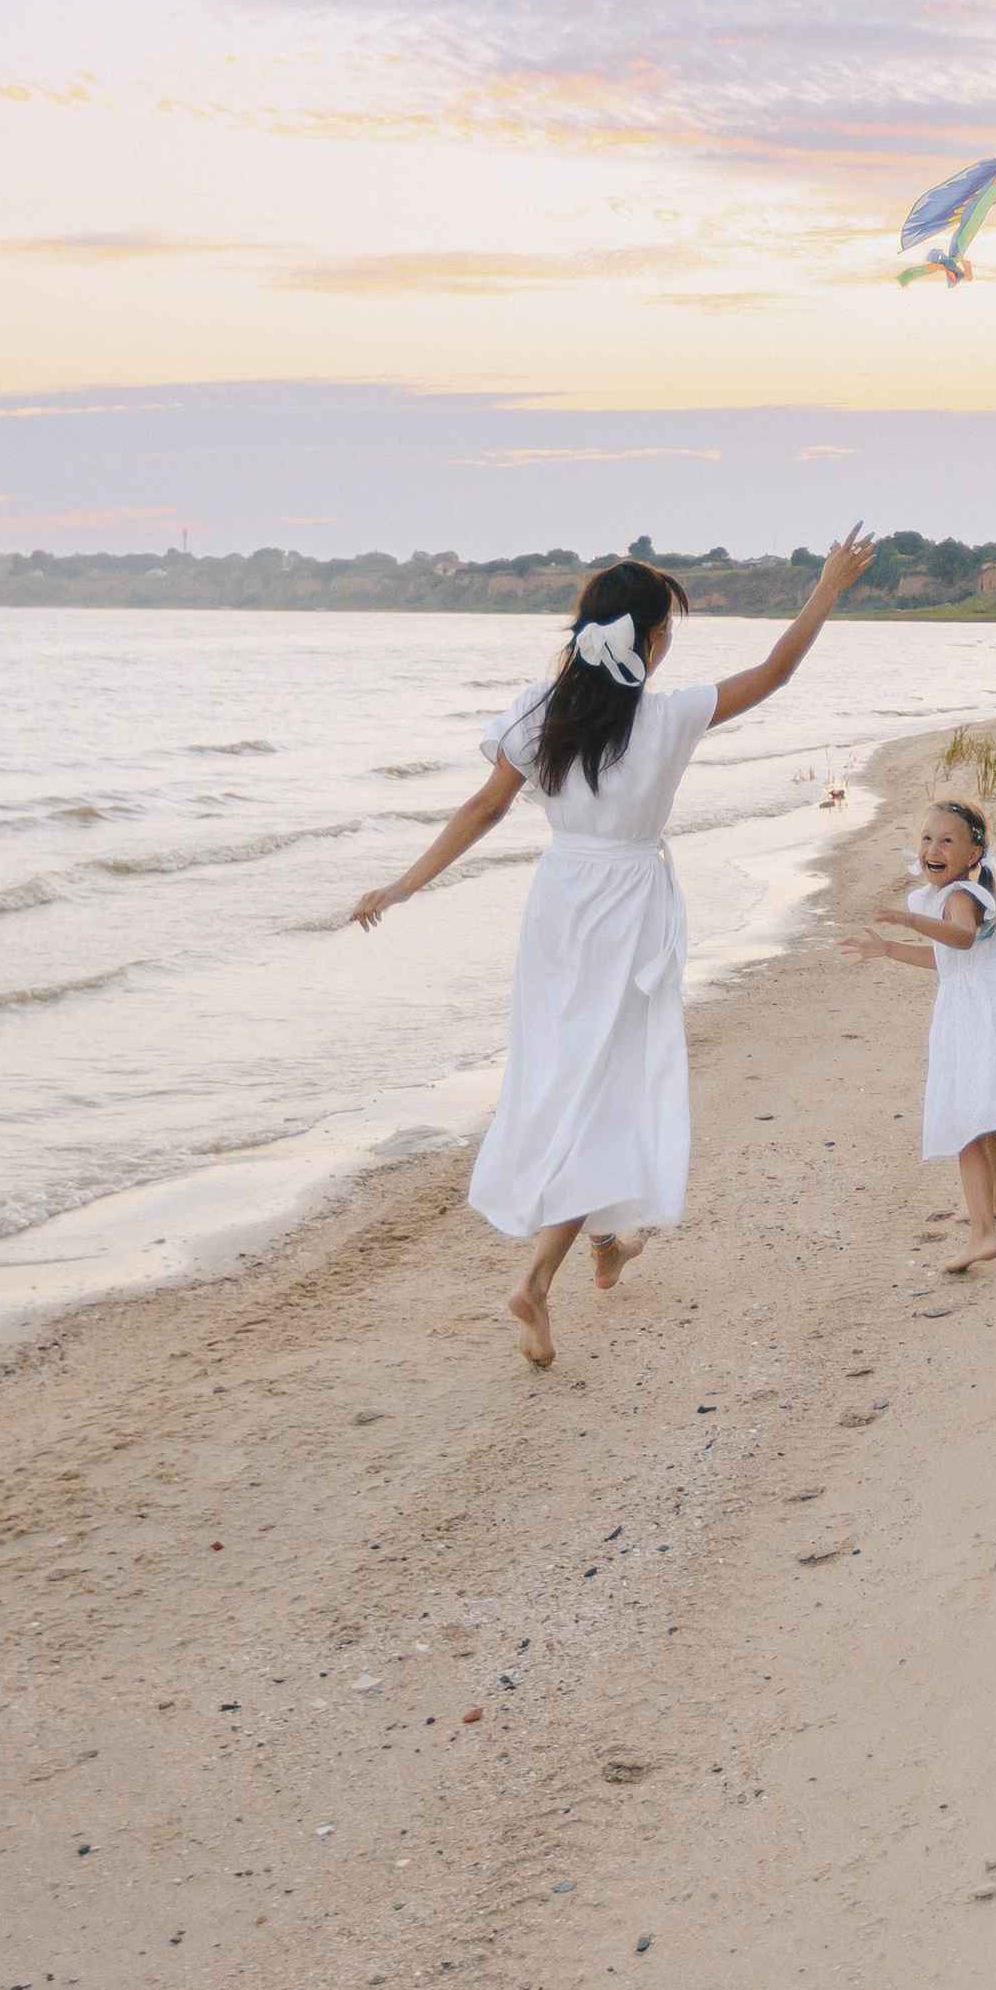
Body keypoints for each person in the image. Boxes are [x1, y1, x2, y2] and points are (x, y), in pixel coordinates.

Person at [351, 529, 875, 1370]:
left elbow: (482, 811)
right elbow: (776, 673)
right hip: (629, 906)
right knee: (609, 1085)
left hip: (560, 906)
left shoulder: (540, 709)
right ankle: (538, 1276)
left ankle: (611, 1240)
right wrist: (826, 589)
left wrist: (403, 885)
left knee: (570, 1072)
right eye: (669, 629)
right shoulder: (665, 716)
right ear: (649, 637)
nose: (672, 643)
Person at [842, 797, 996, 1271]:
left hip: (980, 1010)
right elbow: (947, 960)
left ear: (972, 855)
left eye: (947, 840)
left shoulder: (962, 897)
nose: (932, 848)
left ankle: (983, 1235)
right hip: (980, 1003)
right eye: (927, 838)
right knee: (985, 1108)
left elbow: (959, 937)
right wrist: (889, 948)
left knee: (964, 1121)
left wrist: (908, 919)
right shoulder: (949, 896)